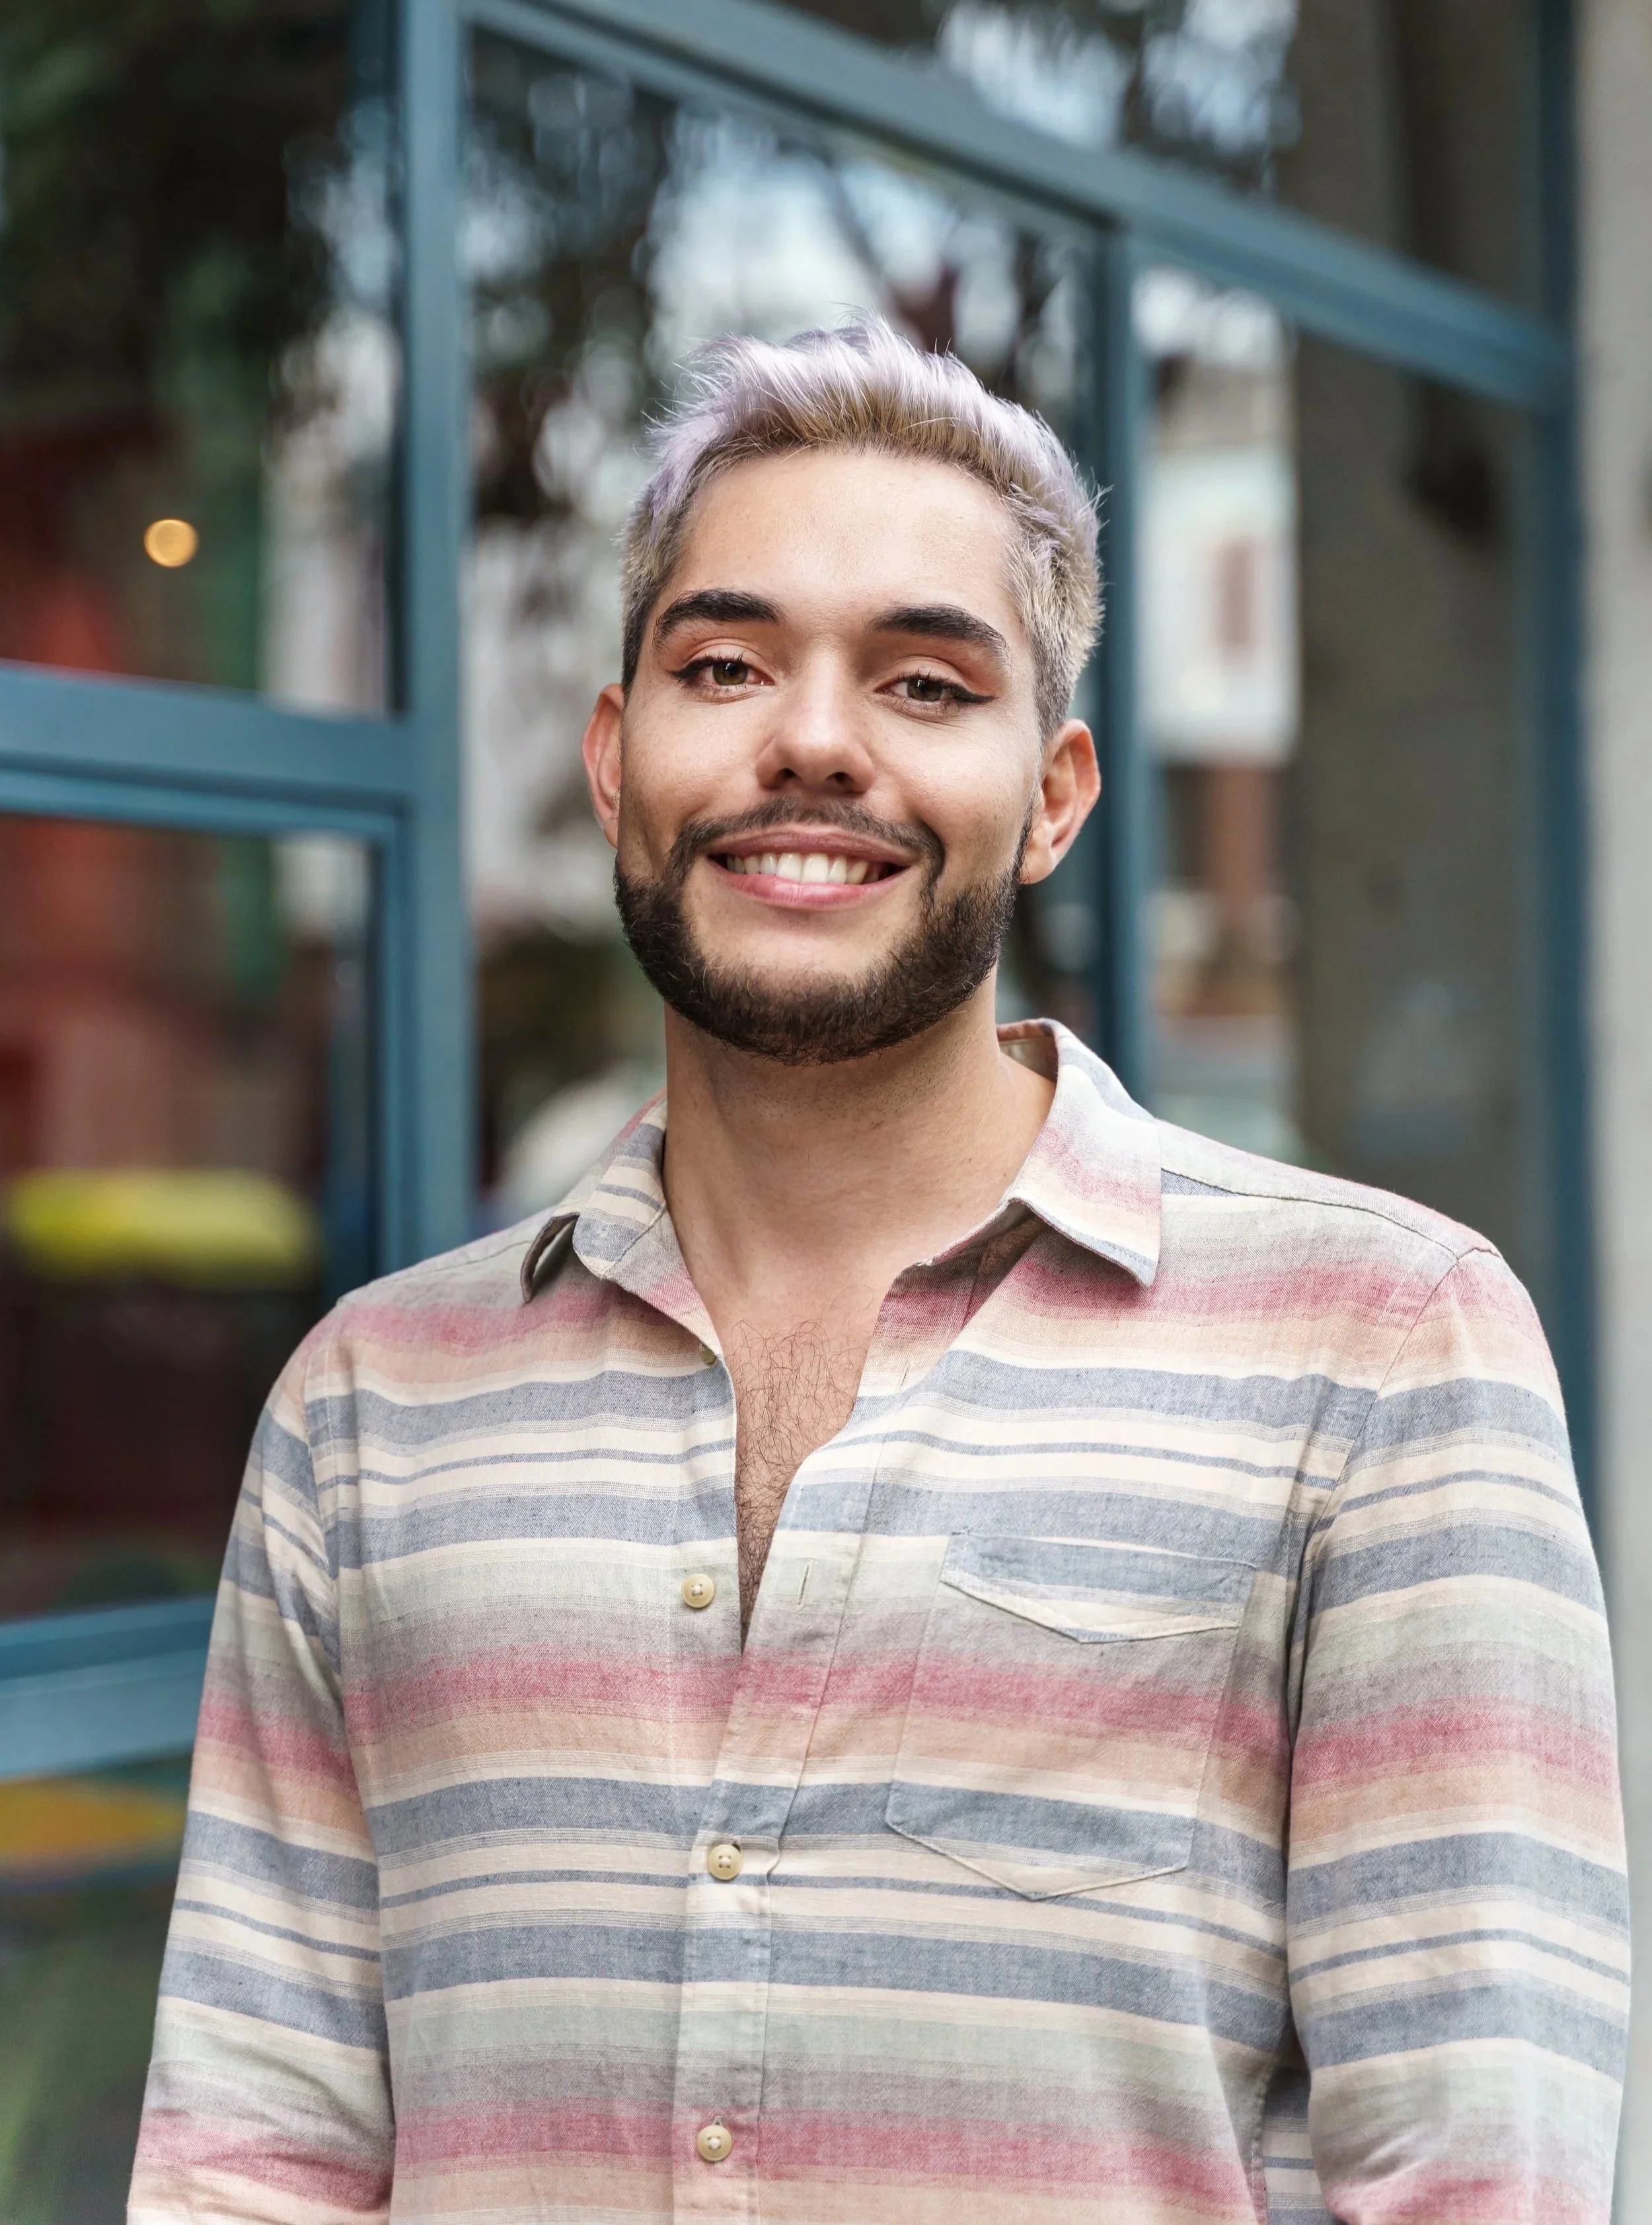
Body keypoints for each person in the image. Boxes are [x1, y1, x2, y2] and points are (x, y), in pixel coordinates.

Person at [130, 319, 1626, 2224]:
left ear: (1057, 792)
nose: (812, 738)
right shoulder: (369, 1404)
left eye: (923, 680)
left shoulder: (1381, 1347)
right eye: (726, 663)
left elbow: (1476, 2180)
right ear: (615, 761)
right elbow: (247, 2157)